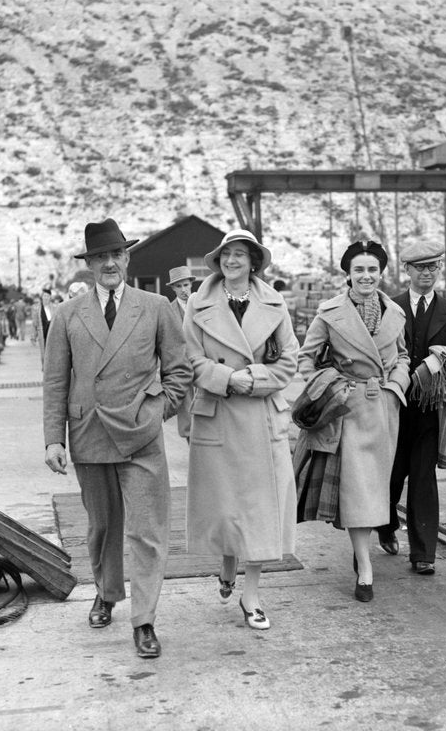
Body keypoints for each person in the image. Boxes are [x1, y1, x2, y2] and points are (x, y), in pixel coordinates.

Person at [43, 218, 192, 659]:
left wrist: (157, 411)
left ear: (127, 259)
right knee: (103, 527)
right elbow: (55, 381)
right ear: (89, 265)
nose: (109, 263)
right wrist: (53, 439)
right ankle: (106, 592)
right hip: (88, 432)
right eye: (100, 257)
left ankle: (144, 620)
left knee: (147, 529)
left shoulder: (156, 307)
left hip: (140, 434)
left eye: (115, 255)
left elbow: (179, 371)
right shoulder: (67, 314)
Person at [184, 230, 299, 630]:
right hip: (218, 414)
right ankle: (227, 561)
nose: (232, 261)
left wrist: (253, 378)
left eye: (240, 255)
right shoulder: (197, 303)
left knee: (260, 512)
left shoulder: (274, 303)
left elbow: (289, 361)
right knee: (226, 507)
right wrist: (227, 379)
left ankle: (251, 596)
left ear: (253, 262)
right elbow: (189, 358)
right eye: (226, 254)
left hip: (261, 416)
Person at [296, 240, 410, 602]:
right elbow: (305, 359)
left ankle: (362, 557)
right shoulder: (330, 313)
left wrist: (396, 386)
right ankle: (365, 568)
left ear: (381, 273)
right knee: (359, 494)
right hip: (348, 412)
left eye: (372, 269)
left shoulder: (395, 313)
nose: (366, 276)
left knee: (376, 492)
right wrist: (331, 388)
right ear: (348, 273)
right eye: (358, 269)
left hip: (384, 409)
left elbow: (403, 356)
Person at [378, 241, 446, 575]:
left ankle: (423, 553)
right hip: (392, 407)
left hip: (431, 411)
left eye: (433, 266)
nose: (427, 273)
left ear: (439, 268)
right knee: (390, 475)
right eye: (420, 267)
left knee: (422, 479)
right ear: (407, 270)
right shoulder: (389, 307)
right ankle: (385, 523)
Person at [167, 266, 196, 441]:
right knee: (187, 414)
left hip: (204, 364)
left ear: (191, 284)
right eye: (179, 286)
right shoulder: (168, 310)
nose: (183, 290)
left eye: (186, 285)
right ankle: (191, 447)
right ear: (173, 288)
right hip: (182, 368)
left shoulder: (202, 305)